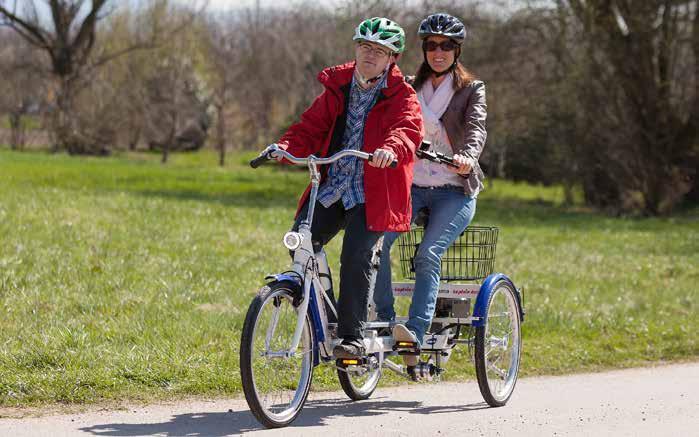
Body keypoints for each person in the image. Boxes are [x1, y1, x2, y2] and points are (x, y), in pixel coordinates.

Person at [272, 17, 423, 358]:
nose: (371, 55)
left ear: (392, 58)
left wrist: (391, 149)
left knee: (356, 255)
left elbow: (407, 128)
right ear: (356, 48)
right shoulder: (338, 85)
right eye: (365, 47)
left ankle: (352, 338)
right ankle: (324, 318)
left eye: (380, 51)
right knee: (300, 243)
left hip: (374, 191)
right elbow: (310, 126)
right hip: (333, 186)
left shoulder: (402, 94)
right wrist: (284, 146)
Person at [373, 13, 487, 368]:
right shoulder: (408, 85)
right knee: (375, 244)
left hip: (455, 190)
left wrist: (467, 157)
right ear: (423, 49)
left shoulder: (471, 89)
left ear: (457, 50)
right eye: (432, 45)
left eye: (447, 46)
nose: (438, 52)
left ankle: (415, 334)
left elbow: (476, 128)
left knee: (427, 255)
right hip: (413, 187)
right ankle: (386, 322)